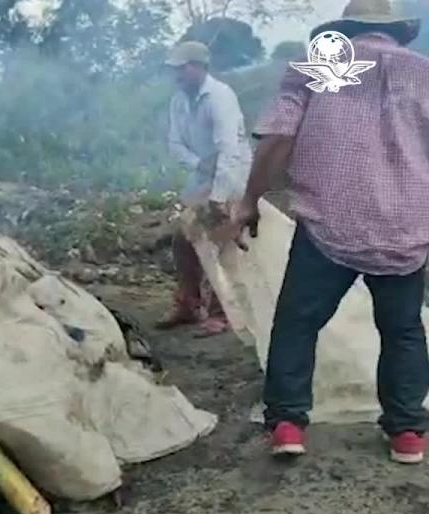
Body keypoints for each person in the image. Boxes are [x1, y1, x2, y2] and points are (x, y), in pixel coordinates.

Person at [230, 0, 429, 463]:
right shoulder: (424, 73)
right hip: (403, 226)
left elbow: (278, 138)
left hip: (329, 221)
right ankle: (406, 433)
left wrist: (250, 200)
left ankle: (287, 423)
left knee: (298, 322)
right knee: (401, 329)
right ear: (398, 31)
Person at [158, 40, 252, 337]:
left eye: (182, 68)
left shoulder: (220, 97)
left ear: (199, 67)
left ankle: (222, 313)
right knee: (183, 239)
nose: (177, 75)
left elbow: (229, 150)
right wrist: (200, 164)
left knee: (222, 244)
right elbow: (174, 144)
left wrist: (218, 198)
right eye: (175, 70)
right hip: (204, 173)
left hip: (232, 176)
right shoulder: (179, 100)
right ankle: (189, 303)